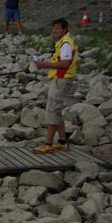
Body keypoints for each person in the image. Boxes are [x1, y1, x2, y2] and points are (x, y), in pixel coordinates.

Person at [34, 18, 78, 153]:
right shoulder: (61, 42)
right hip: (59, 79)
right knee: (56, 109)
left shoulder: (65, 43)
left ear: (65, 29)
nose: (55, 31)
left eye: (58, 28)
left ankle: (48, 143)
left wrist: (43, 65)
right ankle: (62, 141)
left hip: (61, 80)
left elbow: (65, 64)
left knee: (52, 110)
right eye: (53, 28)